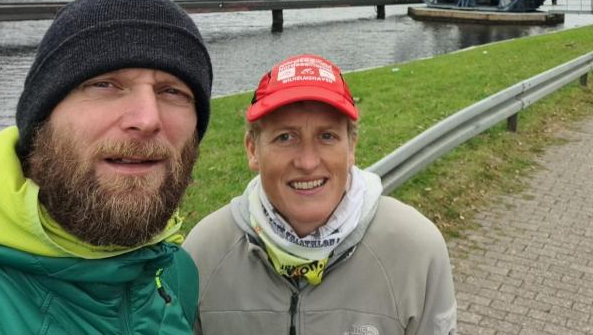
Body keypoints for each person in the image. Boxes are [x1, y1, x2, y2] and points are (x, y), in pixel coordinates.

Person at [0, 0, 213, 334]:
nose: (148, 119)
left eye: (172, 91)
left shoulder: (175, 273)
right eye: (104, 84)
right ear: (42, 118)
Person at [184, 54, 457, 334]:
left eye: (327, 136)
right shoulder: (203, 253)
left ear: (351, 147)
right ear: (253, 149)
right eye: (285, 137)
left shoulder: (418, 251)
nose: (308, 162)